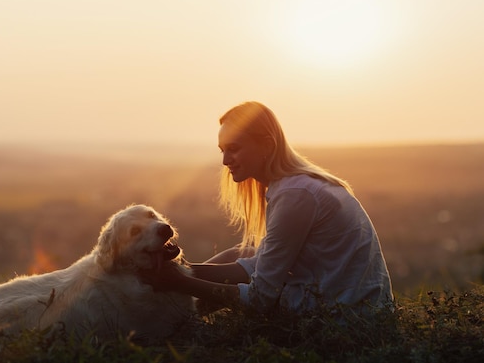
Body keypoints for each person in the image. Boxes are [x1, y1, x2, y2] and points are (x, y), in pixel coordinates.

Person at [144, 101, 393, 317]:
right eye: (222, 150)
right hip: (346, 306)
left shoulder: (295, 196)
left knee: (236, 264)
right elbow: (258, 266)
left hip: (340, 320)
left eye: (234, 148)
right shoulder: (298, 186)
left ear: (266, 145)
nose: (225, 160)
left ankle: (165, 328)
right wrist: (180, 269)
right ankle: (170, 321)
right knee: (240, 254)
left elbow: (259, 300)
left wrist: (179, 282)